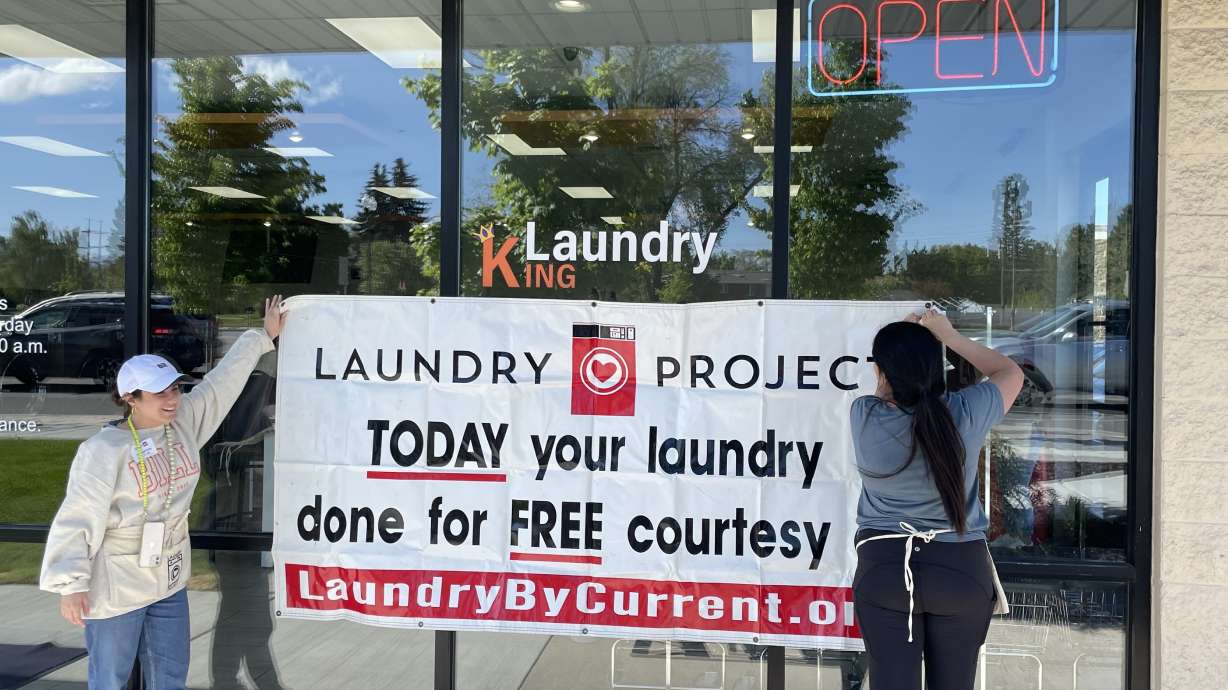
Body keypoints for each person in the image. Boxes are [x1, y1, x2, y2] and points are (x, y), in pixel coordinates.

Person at [39, 296, 286, 690]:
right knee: (110, 679)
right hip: (116, 584)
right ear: (129, 398)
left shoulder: (183, 422)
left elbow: (221, 383)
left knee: (170, 676)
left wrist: (261, 337)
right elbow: (78, 517)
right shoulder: (103, 451)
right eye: (159, 394)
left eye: (174, 388)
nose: (172, 399)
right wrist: (71, 586)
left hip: (168, 580)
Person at [849, 307, 1023, 690]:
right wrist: (949, 336)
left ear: (881, 371)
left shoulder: (864, 415)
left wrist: (901, 346)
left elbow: (885, 392)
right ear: (936, 367)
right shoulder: (965, 411)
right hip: (959, 569)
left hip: (886, 569)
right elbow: (1011, 373)